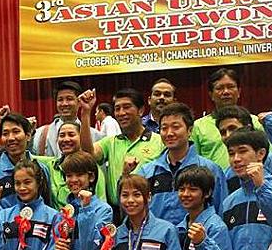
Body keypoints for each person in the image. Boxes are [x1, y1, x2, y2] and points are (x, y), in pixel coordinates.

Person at [80, 88, 164, 218]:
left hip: (152, 213)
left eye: (126, 107)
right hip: (118, 215)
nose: (121, 113)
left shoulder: (159, 141)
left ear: (141, 110)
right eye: (117, 109)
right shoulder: (111, 142)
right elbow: (88, 152)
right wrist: (86, 112)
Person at [137, 103, 226, 225]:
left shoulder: (210, 170)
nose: (169, 133)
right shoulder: (147, 172)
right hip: (158, 236)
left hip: (198, 236)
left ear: (190, 130)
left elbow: (221, 213)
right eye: (164, 128)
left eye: (176, 127)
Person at [0, 113, 50, 226]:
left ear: (28, 135)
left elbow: (48, 205)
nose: (11, 138)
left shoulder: (41, 168)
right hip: (1, 233)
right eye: (5, 133)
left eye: (16, 132)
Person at [214, 105, 272, 194]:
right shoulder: (228, 174)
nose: (228, 135)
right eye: (223, 132)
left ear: (248, 128)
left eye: (232, 128)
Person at [191, 68, 267, 169]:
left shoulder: (256, 121)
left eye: (231, 87)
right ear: (211, 95)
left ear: (239, 91)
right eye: (219, 88)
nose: (226, 92)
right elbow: (193, 162)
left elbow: (268, 157)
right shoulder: (198, 126)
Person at [34, 121, 107, 209]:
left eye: (71, 135)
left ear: (81, 138)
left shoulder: (93, 168)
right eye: (62, 135)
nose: (66, 139)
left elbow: (102, 204)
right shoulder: (51, 165)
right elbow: (26, 156)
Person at [31, 81, 105, 156]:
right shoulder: (40, 134)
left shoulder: (96, 136)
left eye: (69, 99)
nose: (64, 104)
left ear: (79, 102)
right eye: (60, 100)